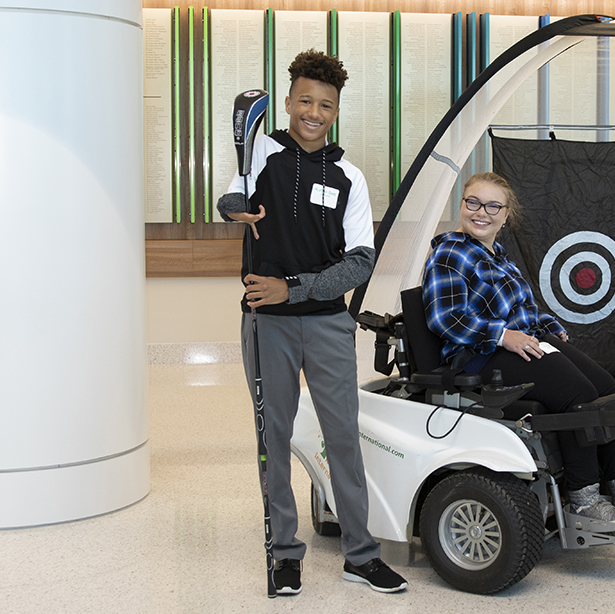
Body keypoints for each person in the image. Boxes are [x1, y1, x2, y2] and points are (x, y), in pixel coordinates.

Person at [217, 49, 407, 596]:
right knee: (272, 436)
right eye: (305, 100)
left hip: (326, 324)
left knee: (343, 437)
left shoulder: (349, 175)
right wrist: (235, 208)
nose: (314, 112)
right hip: (266, 324)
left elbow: (359, 262)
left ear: (336, 111)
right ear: (288, 101)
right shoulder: (262, 153)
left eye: (325, 104)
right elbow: (232, 195)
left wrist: (293, 288)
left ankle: (361, 554)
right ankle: (283, 552)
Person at [422, 172, 615, 527]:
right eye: (473, 203)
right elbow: (445, 318)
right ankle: (584, 497)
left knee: (605, 386)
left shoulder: (498, 254)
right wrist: (503, 336)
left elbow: (522, 308)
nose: (481, 212)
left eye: (493, 205)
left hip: (520, 342)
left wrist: (548, 327)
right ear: (462, 205)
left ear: (506, 215)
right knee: (577, 394)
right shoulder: (450, 253)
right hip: (479, 355)